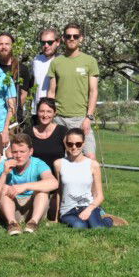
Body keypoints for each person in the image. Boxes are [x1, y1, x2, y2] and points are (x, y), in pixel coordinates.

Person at [55, 128, 127, 229]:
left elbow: (100, 196)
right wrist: (56, 216)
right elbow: (58, 192)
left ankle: (109, 220)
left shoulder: (93, 165)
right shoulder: (59, 164)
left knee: (97, 227)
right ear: (66, 144)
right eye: (70, 144)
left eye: (78, 144)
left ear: (83, 143)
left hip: (88, 206)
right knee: (79, 226)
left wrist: (89, 209)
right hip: (68, 210)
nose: (74, 147)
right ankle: (92, 220)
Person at [47, 23, 99, 159]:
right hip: (59, 119)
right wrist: (50, 117)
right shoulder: (56, 62)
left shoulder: (90, 61)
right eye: (68, 36)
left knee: (90, 158)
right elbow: (51, 92)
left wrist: (89, 117)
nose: (72, 38)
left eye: (75, 36)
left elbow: (93, 91)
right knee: (61, 159)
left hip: (81, 118)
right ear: (63, 38)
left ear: (81, 38)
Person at [0, 133, 58, 235]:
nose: (18, 156)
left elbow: (54, 183)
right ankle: (12, 224)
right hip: (11, 209)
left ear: (30, 151)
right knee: (5, 188)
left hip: (33, 208)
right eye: (15, 152)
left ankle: (33, 223)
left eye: (22, 152)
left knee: (42, 190)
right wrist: (4, 174)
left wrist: (25, 186)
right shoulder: (4, 165)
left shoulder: (38, 164)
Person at [29, 98, 67, 220]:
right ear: (37, 112)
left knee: (54, 214)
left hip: (57, 182)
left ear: (54, 113)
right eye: (41, 111)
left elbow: (73, 152)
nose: (45, 115)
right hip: (35, 182)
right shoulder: (28, 131)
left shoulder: (62, 131)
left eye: (49, 111)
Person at [0, 33, 32, 125]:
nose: (3, 47)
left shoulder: (21, 69)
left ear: (12, 46)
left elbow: (23, 94)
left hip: (15, 118)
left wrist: (14, 111)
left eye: (7, 44)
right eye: (0, 44)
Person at [31, 28, 60, 119]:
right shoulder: (36, 60)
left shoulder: (62, 61)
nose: (46, 45)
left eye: (50, 42)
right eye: (43, 43)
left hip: (55, 112)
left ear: (57, 42)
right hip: (37, 111)